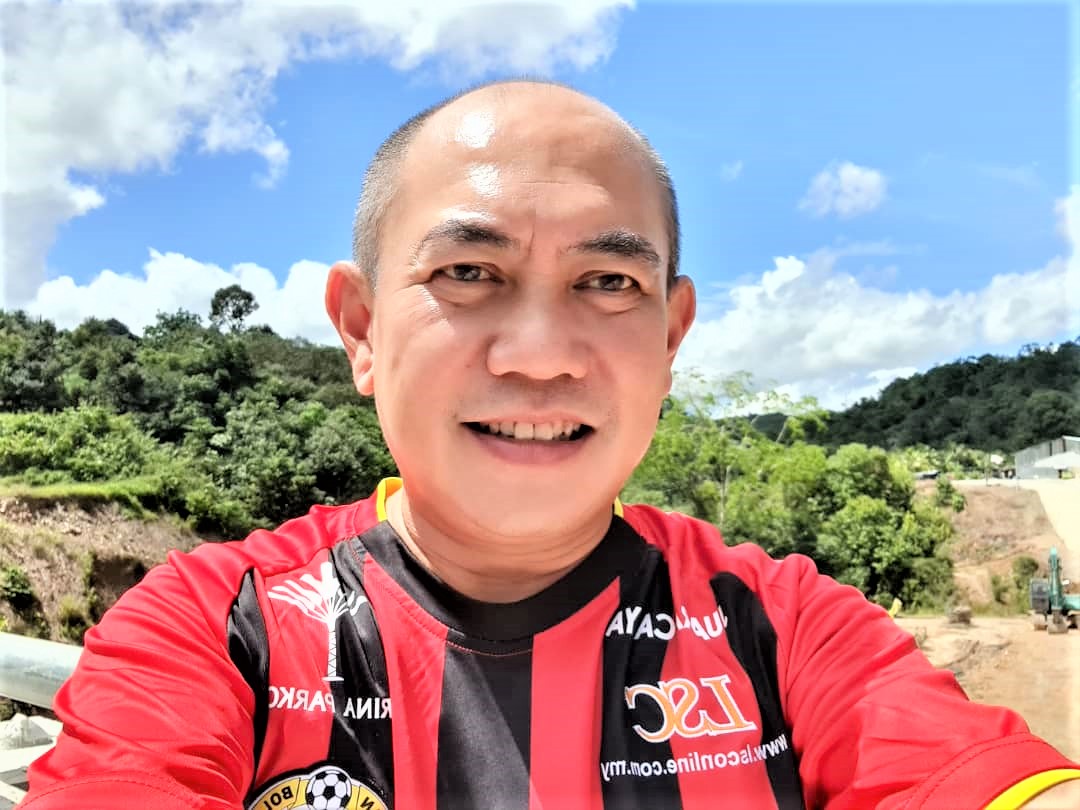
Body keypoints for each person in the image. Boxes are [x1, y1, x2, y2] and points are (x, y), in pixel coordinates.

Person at [21, 80, 1080, 810]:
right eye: (468, 274)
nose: (539, 354)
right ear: (360, 330)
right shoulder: (215, 630)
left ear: (670, 338)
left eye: (607, 282)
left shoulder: (785, 627)